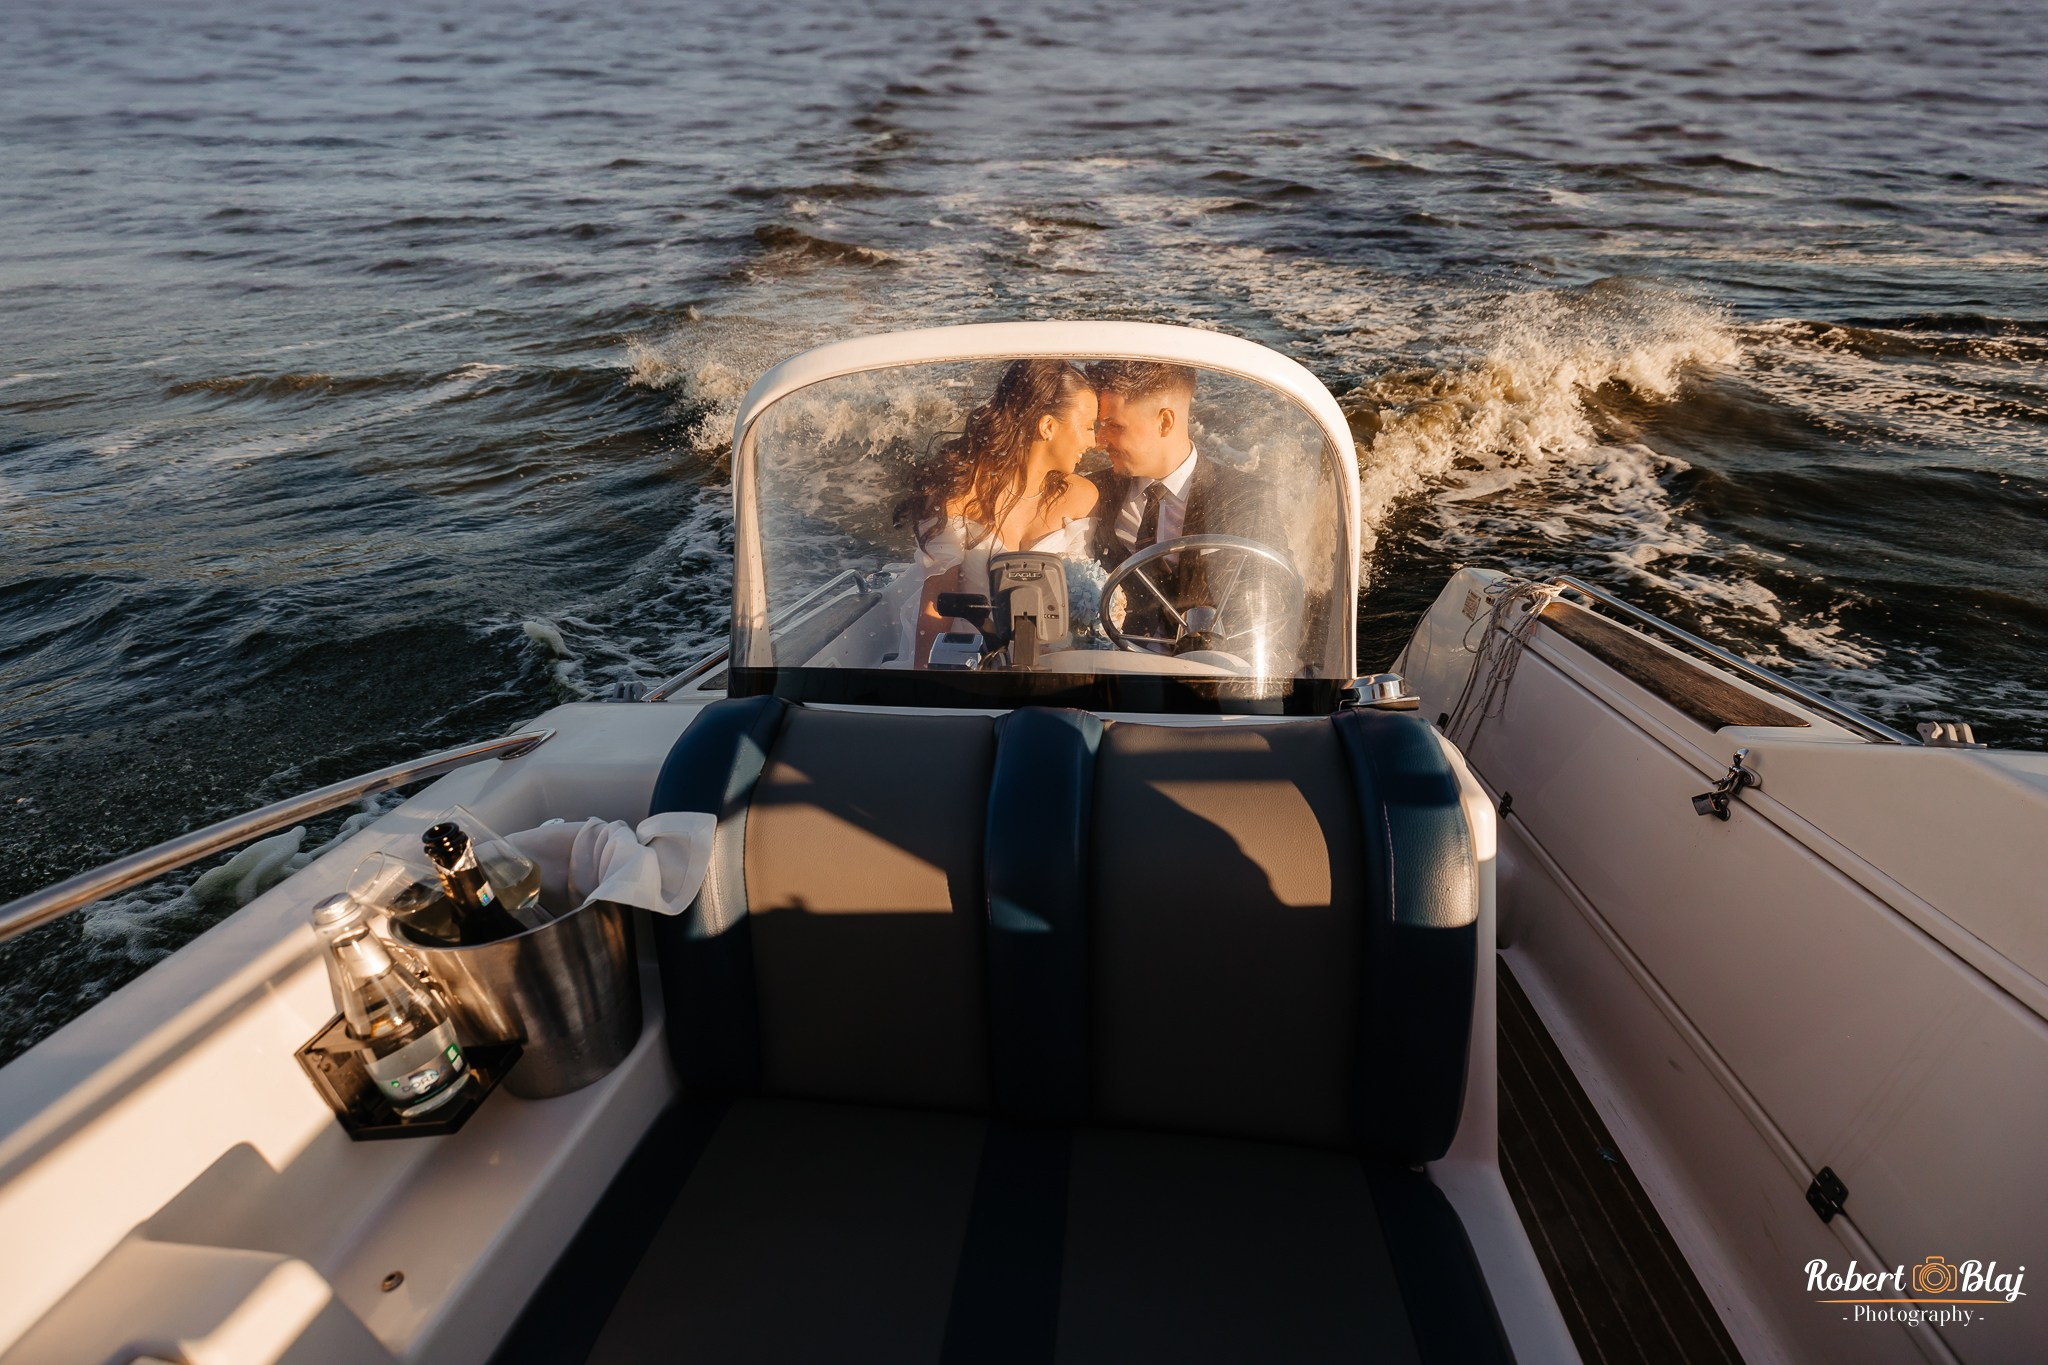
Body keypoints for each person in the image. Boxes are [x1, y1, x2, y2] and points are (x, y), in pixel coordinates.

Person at [895, 359, 1100, 665]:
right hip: (972, 663)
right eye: (1086, 427)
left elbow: (1078, 600)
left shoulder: (1082, 497)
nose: (1093, 441)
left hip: (1053, 667)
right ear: (1047, 427)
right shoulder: (960, 495)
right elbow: (937, 608)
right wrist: (929, 687)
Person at [1086, 359, 1285, 641]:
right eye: (1099, 425)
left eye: (1114, 426)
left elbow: (1275, 617)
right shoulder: (1090, 493)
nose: (1099, 440)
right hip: (1111, 676)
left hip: (1202, 678)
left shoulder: (1249, 500)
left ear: (1165, 422)